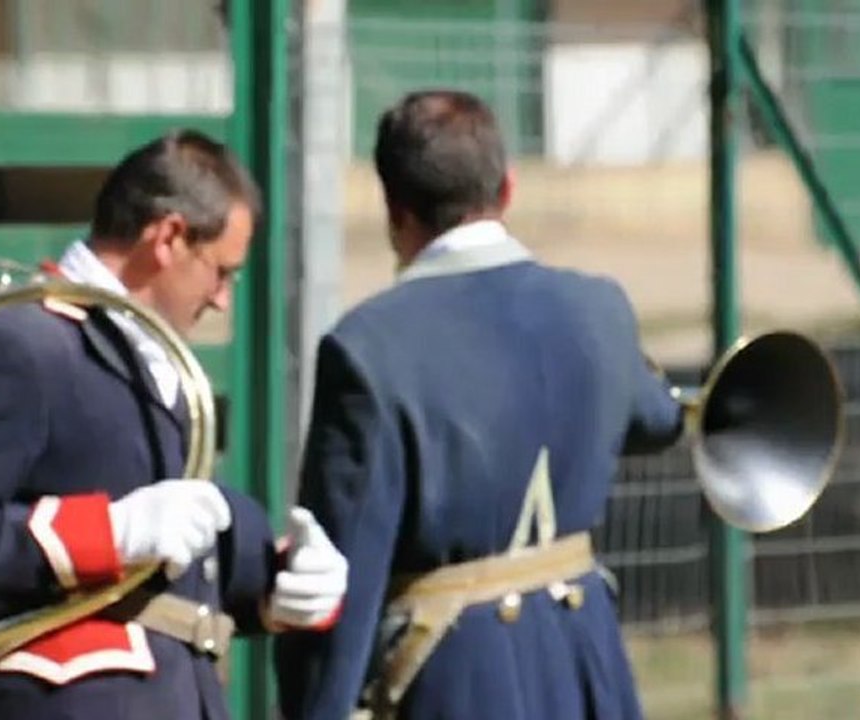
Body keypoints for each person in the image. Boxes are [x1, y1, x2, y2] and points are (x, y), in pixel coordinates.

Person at [274, 90, 684, 720]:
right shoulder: (599, 308)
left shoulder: (369, 348)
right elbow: (657, 419)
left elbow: (341, 579)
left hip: (453, 680)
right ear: (508, 189)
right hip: (584, 665)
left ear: (393, 208)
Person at [0, 130, 347, 720]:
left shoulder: (153, 360)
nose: (221, 299)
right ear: (167, 237)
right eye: (221, 271)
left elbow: (170, 572)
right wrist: (108, 532)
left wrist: (282, 581)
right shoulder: (27, 346)